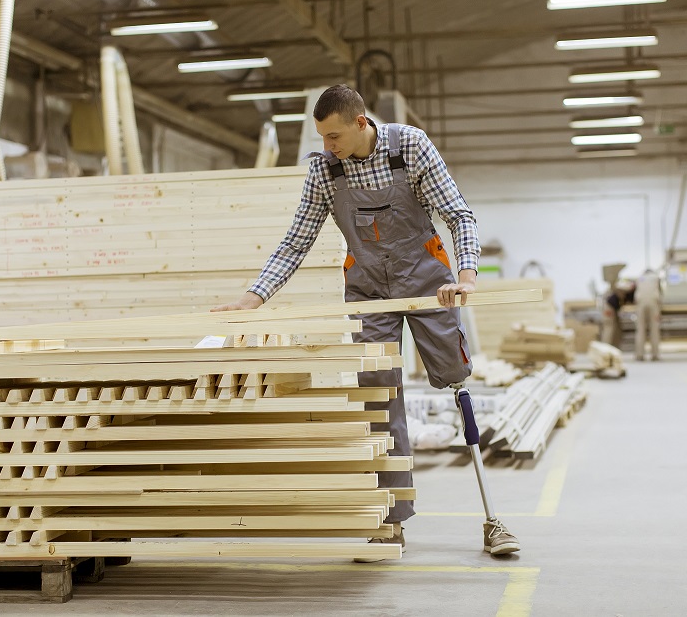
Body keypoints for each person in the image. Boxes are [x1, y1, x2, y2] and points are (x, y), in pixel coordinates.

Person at [212, 84, 519, 559]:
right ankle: (390, 520)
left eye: (333, 136)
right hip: (369, 289)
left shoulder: (410, 147)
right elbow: (297, 240)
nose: (326, 145)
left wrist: (467, 278)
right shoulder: (324, 169)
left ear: (360, 123)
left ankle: (493, 518)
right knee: (379, 396)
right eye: (321, 137)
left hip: (427, 279)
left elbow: (458, 215)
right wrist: (253, 300)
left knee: (454, 377)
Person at [633, 268, 662, 361]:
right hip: (653, 303)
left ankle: (640, 355)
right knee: (654, 330)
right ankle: (655, 355)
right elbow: (660, 293)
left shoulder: (639, 278)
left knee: (640, 329)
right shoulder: (656, 278)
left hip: (641, 303)